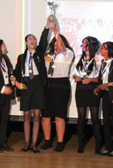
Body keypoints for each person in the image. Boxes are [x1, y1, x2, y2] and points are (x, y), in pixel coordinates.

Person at [39, 15, 74, 152]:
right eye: (54, 45)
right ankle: (47, 141)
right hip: (48, 85)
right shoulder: (48, 55)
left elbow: (62, 47)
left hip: (61, 85)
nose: (56, 46)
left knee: (60, 116)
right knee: (46, 116)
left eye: (58, 44)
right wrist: (48, 27)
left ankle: (60, 142)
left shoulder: (68, 54)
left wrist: (55, 31)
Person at [13, 34, 47, 153]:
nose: (32, 41)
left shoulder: (39, 54)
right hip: (26, 84)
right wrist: (16, 86)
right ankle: (26, 143)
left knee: (37, 116)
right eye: (30, 39)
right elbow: (17, 73)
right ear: (26, 42)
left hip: (37, 84)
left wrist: (47, 28)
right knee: (26, 115)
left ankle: (34, 145)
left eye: (34, 39)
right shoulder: (22, 57)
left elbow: (43, 41)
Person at [72, 36, 101, 154]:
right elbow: (73, 74)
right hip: (81, 89)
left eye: (85, 44)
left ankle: (98, 146)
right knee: (81, 118)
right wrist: (76, 77)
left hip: (93, 90)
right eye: (83, 44)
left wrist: (90, 80)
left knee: (95, 118)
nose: (83, 46)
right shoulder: (78, 58)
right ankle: (80, 144)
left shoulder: (98, 59)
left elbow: (100, 78)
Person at [94, 42, 113, 157]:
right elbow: (102, 79)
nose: (100, 50)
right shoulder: (102, 62)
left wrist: (108, 85)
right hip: (105, 95)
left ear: (108, 50)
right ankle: (108, 146)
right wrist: (99, 87)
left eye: (102, 48)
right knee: (105, 122)